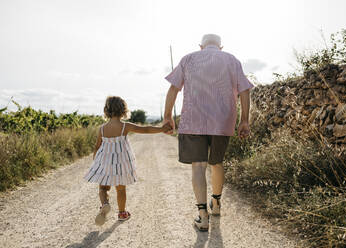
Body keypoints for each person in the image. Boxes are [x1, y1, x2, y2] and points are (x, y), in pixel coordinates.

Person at [163, 34, 254, 231]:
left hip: (193, 120)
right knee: (216, 163)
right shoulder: (232, 60)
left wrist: (167, 116)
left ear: (201, 46)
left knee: (198, 166)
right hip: (223, 122)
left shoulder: (188, 58)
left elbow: (173, 88)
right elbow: (245, 90)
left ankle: (202, 215)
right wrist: (244, 120)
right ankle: (217, 203)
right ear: (220, 47)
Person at [84, 96, 171, 225]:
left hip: (105, 162)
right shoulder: (125, 126)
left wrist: (96, 162)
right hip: (120, 164)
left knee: (103, 188)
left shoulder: (102, 129)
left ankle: (105, 204)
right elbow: (145, 129)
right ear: (123, 110)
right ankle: (122, 213)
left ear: (106, 110)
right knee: (120, 189)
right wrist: (162, 129)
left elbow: (97, 146)